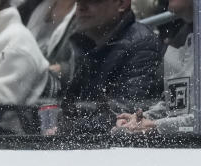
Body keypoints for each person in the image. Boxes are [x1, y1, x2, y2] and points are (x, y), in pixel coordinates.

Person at [59, 0, 162, 135]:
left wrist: (66, 129)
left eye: (91, 1)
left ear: (122, 4)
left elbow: (125, 116)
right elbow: (72, 108)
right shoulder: (88, 45)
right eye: (78, 2)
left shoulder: (141, 45)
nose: (81, 7)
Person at [114, 0, 195, 134]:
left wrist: (155, 125)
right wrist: (142, 118)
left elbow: (196, 122)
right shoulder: (185, 35)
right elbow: (175, 106)